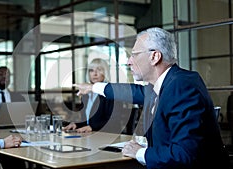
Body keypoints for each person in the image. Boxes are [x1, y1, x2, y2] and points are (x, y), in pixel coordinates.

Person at [73, 27, 230, 169]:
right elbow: (132, 92)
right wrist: (93, 87)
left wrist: (141, 152)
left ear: (155, 56)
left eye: (134, 55)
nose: (129, 62)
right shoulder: (160, 85)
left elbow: (184, 154)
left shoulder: (182, 85)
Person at [63, 58, 124, 133]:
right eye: (91, 70)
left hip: (107, 137)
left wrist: (92, 127)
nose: (95, 73)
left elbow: (114, 122)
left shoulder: (112, 92)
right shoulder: (86, 95)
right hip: (90, 137)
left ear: (106, 72)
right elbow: (88, 121)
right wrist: (76, 124)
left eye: (99, 70)